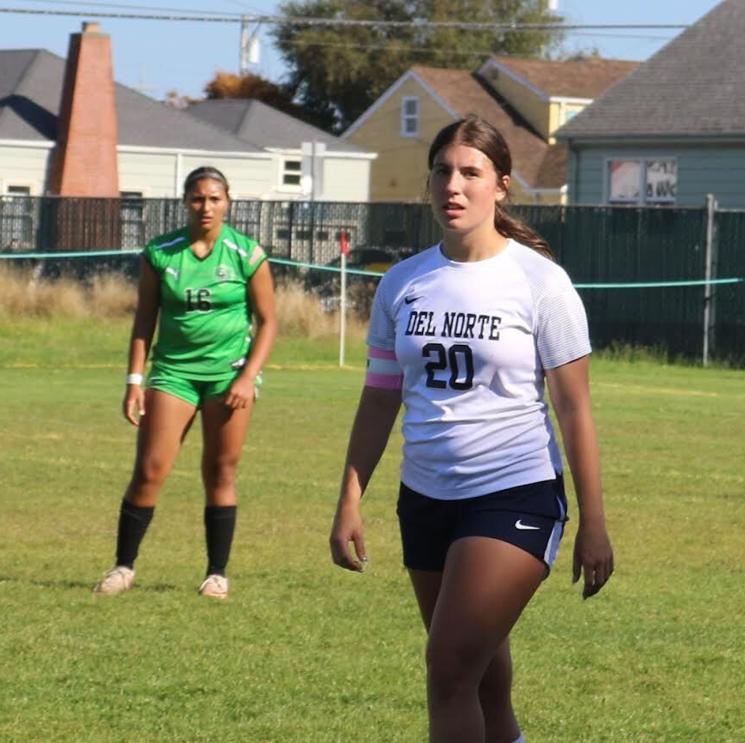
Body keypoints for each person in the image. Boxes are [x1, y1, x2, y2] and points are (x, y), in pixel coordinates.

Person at [329, 116, 614, 743]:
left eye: (470, 173)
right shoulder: (402, 283)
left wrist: (594, 523)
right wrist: (350, 499)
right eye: (441, 171)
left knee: (448, 667)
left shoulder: (541, 284)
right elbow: (379, 401)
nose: (452, 186)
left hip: (514, 497)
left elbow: (575, 410)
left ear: (501, 186)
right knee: (482, 680)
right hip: (425, 499)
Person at [93, 166, 277, 598]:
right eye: (197, 198)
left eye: (214, 198)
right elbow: (144, 321)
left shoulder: (247, 254)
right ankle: (123, 567)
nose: (206, 206)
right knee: (151, 468)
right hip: (173, 374)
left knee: (220, 470)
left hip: (228, 377)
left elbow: (268, 322)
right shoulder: (161, 252)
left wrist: (247, 377)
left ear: (228, 201)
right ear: (185, 202)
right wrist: (135, 380)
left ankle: (217, 573)